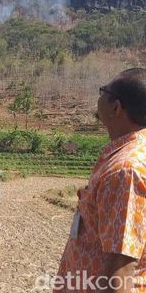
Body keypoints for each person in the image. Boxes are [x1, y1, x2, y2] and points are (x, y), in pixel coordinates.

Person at [54, 68, 146, 292]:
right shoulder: (126, 155)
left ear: (116, 107)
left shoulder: (125, 169)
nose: (99, 96)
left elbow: (121, 270)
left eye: (103, 90)